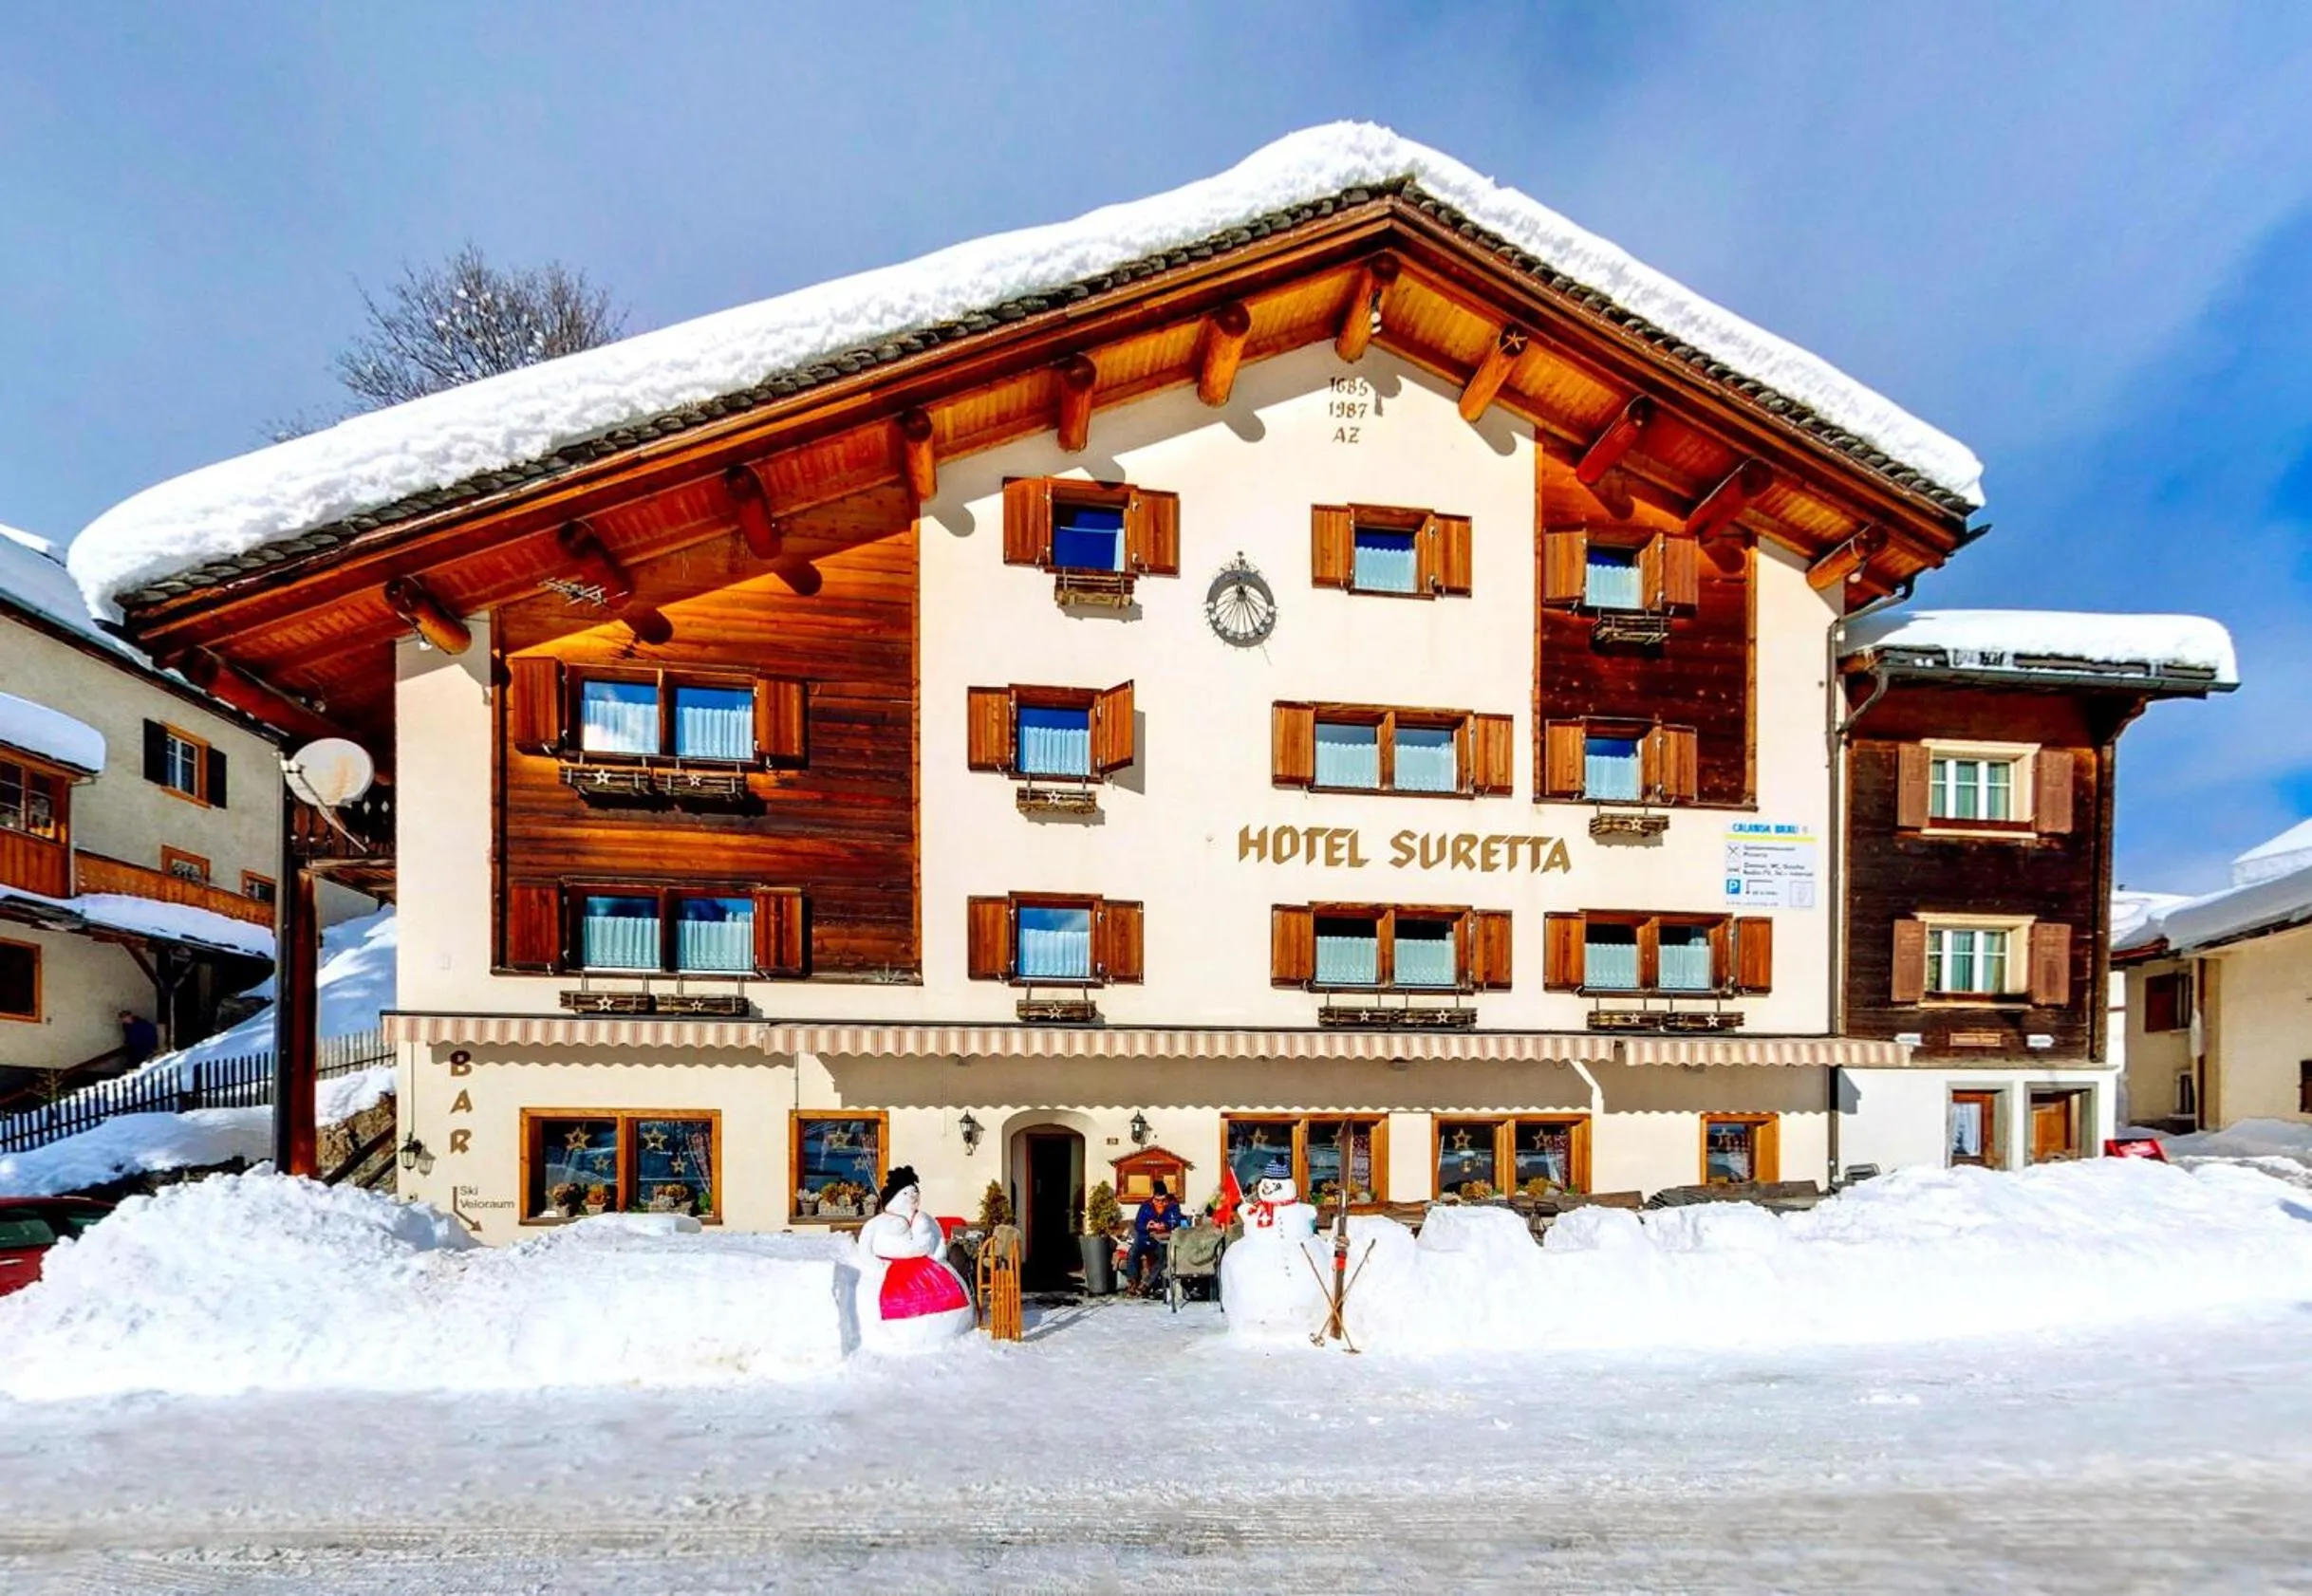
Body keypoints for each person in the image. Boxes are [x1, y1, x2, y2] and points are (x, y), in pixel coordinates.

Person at [1123, 1180, 1184, 1296]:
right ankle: (1132, 1283)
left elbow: (1176, 1221)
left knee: (1164, 1258)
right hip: (1145, 1237)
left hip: (1160, 1240)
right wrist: (1147, 1226)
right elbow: (1138, 1224)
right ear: (1154, 1197)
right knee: (1132, 1253)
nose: (1160, 1203)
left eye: (1163, 1200)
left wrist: (1164, 1225)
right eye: (1157, 1200)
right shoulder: (1146, 1206)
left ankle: (1146, 1284)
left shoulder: (1173, 1206)